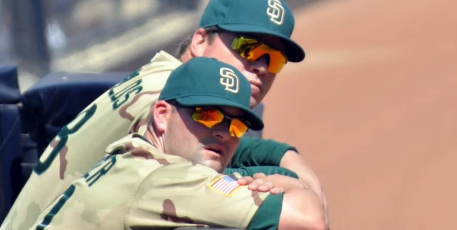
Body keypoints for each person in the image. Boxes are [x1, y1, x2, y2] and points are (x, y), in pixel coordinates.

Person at [1, 0, 328, 230]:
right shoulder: (161, 100)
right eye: (248, 48)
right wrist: (290, 182)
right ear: (200, 41)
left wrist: (285, 158)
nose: (260, 67)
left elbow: (207, 146)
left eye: (274, 59)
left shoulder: (166, 79)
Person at [28, 57, 325, 229]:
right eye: (208, 115)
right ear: (161, 115)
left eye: (236, 125)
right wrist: (287, 182)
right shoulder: (162, 177)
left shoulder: (136, 158)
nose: (224, 132)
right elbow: (308, 218)